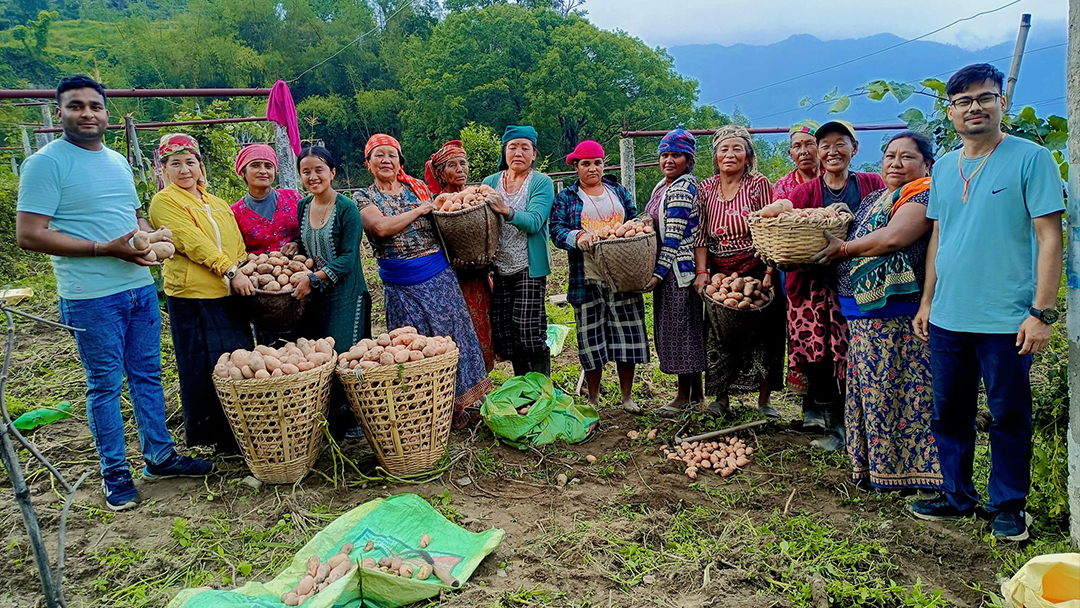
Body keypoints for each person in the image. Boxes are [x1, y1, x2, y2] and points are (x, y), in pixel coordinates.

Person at [15, 75, 211, 511]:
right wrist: (104, 249)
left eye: (94, 106)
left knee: (147, 376)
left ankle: (158, 456)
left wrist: (153, 238)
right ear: (60, 112)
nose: (87, 113)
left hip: (139, 287)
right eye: (76, 106)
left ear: (105, 112)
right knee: (104, 385)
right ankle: (115, 473)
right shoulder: (46, 164)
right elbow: (30, 234)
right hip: (90, 295)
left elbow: (133, 219)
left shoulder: (118, 161)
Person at [909, 64, 1064, 542]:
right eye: (963, 100)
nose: (974, 107)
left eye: (985, 97)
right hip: (949, 316)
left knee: (1008, 414)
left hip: (1007, 319)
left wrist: (1040, 312)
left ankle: (1008, 504)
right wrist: (927, 301)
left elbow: (1049, 237)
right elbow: (939, 235)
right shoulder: (943, 168)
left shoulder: (1031, 159)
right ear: (950, 111)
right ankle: (956, 495)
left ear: (1002, 104)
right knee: (949, 412)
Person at [813, 131, 941, 492]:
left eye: (906, 157)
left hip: (897, 316)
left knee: (899, 394)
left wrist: (844, 250)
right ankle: (874, 470)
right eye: (889, 156)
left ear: (926, 165)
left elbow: (892, 238)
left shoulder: (923, 195)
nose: (896, 163)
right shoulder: (875, 198)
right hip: (863, 318)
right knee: (871, 394)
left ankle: (910, 476)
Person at [355, 134, 491, 428]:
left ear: (400, 161)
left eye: (392, 155)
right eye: (378, 155)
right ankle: (426, 409)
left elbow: (445, 219)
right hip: (401, 285)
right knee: (413, 345)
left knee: (453, 340)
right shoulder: (363, 197)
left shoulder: (416, 188)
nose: (386, 161)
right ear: (368, 163)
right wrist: (420, 209)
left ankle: (459, 406)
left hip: (439, 277)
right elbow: (379, 228)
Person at [149, 133, 255, 456]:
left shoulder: (218, 204)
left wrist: (240, 265)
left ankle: (242, 432)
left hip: (227, 293)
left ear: (200, 166)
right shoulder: (164, 202)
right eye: (175, 164)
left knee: (237, 363)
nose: (184, 170)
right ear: (163, 169)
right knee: (203, 367)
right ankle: (216, 437)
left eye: (190, 162)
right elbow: (192, 242)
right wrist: (230, 270)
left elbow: (236, 242)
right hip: (192, 296)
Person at [785, 120, 885, 450]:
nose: (832, 151)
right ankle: (834, 428)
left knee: (858, 355)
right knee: (818, 358)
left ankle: (864, 427)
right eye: (824, 145)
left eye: (840, 143)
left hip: (861, 285)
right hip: (811, 287)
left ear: (854, 148)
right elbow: (792, 239)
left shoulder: (873, 184)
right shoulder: (804, 193)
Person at [550, 140, 649, 411]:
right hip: (587, 276)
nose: (593, 168)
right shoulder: (567, 198)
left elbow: (634, 218)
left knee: (626, 336)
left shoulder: (617, 190)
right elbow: (556, 230)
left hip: (622, 275)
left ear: (604, 164)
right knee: (591, 340)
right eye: (586, 164)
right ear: (576, 167)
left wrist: (638, 228)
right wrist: (577, 236)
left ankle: (626, 397)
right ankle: (593, 399)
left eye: (597, 162)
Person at [693, 126, 784, 419]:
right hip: (720, 274)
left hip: (756, 268)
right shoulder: (706, 188)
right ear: (715, 156)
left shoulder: (757, 184)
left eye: (737, 149)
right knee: (719, 334)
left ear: (748, 156)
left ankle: (765, 400)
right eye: (724, 149)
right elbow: (700, 236)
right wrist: (702, 272)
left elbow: (770, 230)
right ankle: (721, 398)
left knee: (765, 334)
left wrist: (769, 272)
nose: (730, 154)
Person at [291, 146, 371, 438]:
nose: (313, 176)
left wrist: (315, 277)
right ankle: (329, 419)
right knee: (319, 354)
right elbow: (307, 245)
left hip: (346, 292)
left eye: (319, 170)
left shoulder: (347, 208)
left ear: (332, 172)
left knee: (343, 354)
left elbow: (349, 257)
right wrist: (295, 248)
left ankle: (353, 419)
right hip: (316, 293)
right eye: (306, 171)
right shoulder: (302, 206)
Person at [481, 126, 556, 377]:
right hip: (500, 266)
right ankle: (523, 384)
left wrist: (506, 210)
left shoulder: (541, 182)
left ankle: (542, 385)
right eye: (512, 147)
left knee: (528, 329)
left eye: (525, 147)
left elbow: (535, 221)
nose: (518, 152)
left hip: (527, 265)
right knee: (506, 332)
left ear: (534, 154)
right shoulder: (490, 182)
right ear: (505, 151)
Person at [643, 128, 705, 416]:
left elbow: (674, 238)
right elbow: (651, 217)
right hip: (670, 272)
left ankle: (684, 396)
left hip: (679, 273)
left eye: (676, 155)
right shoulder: (662, 186)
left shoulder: (682, 189)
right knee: (684, 331)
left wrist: (657, 273)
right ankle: (695, 394)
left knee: (681, 334)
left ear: (688, 159)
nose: (669, 160)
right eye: (664, 155)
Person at [424, 140, 495, 372]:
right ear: (441, 173)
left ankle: (484, 381)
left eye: (463, 163)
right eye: (452, 165)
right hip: (452, 279)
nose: (460, 169)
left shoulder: (476, 195)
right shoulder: (435, 204)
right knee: (461, 331)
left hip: (480, 275)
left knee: (485, 327)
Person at [230, 143, 302, 256]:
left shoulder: (293, 198)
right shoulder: (235, 213)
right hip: (256, 271)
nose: (263, 171)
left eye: (268, 166)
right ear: (243, 173)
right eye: (255, 165)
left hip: (300, 268)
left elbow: (312, 231)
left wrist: (298, 244)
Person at [772, 120, 821, 202]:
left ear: (820, 148)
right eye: (797, 146)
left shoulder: (832, 179)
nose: (803, 151)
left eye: (809, 144)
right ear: (791, 154)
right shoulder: (783, 185)